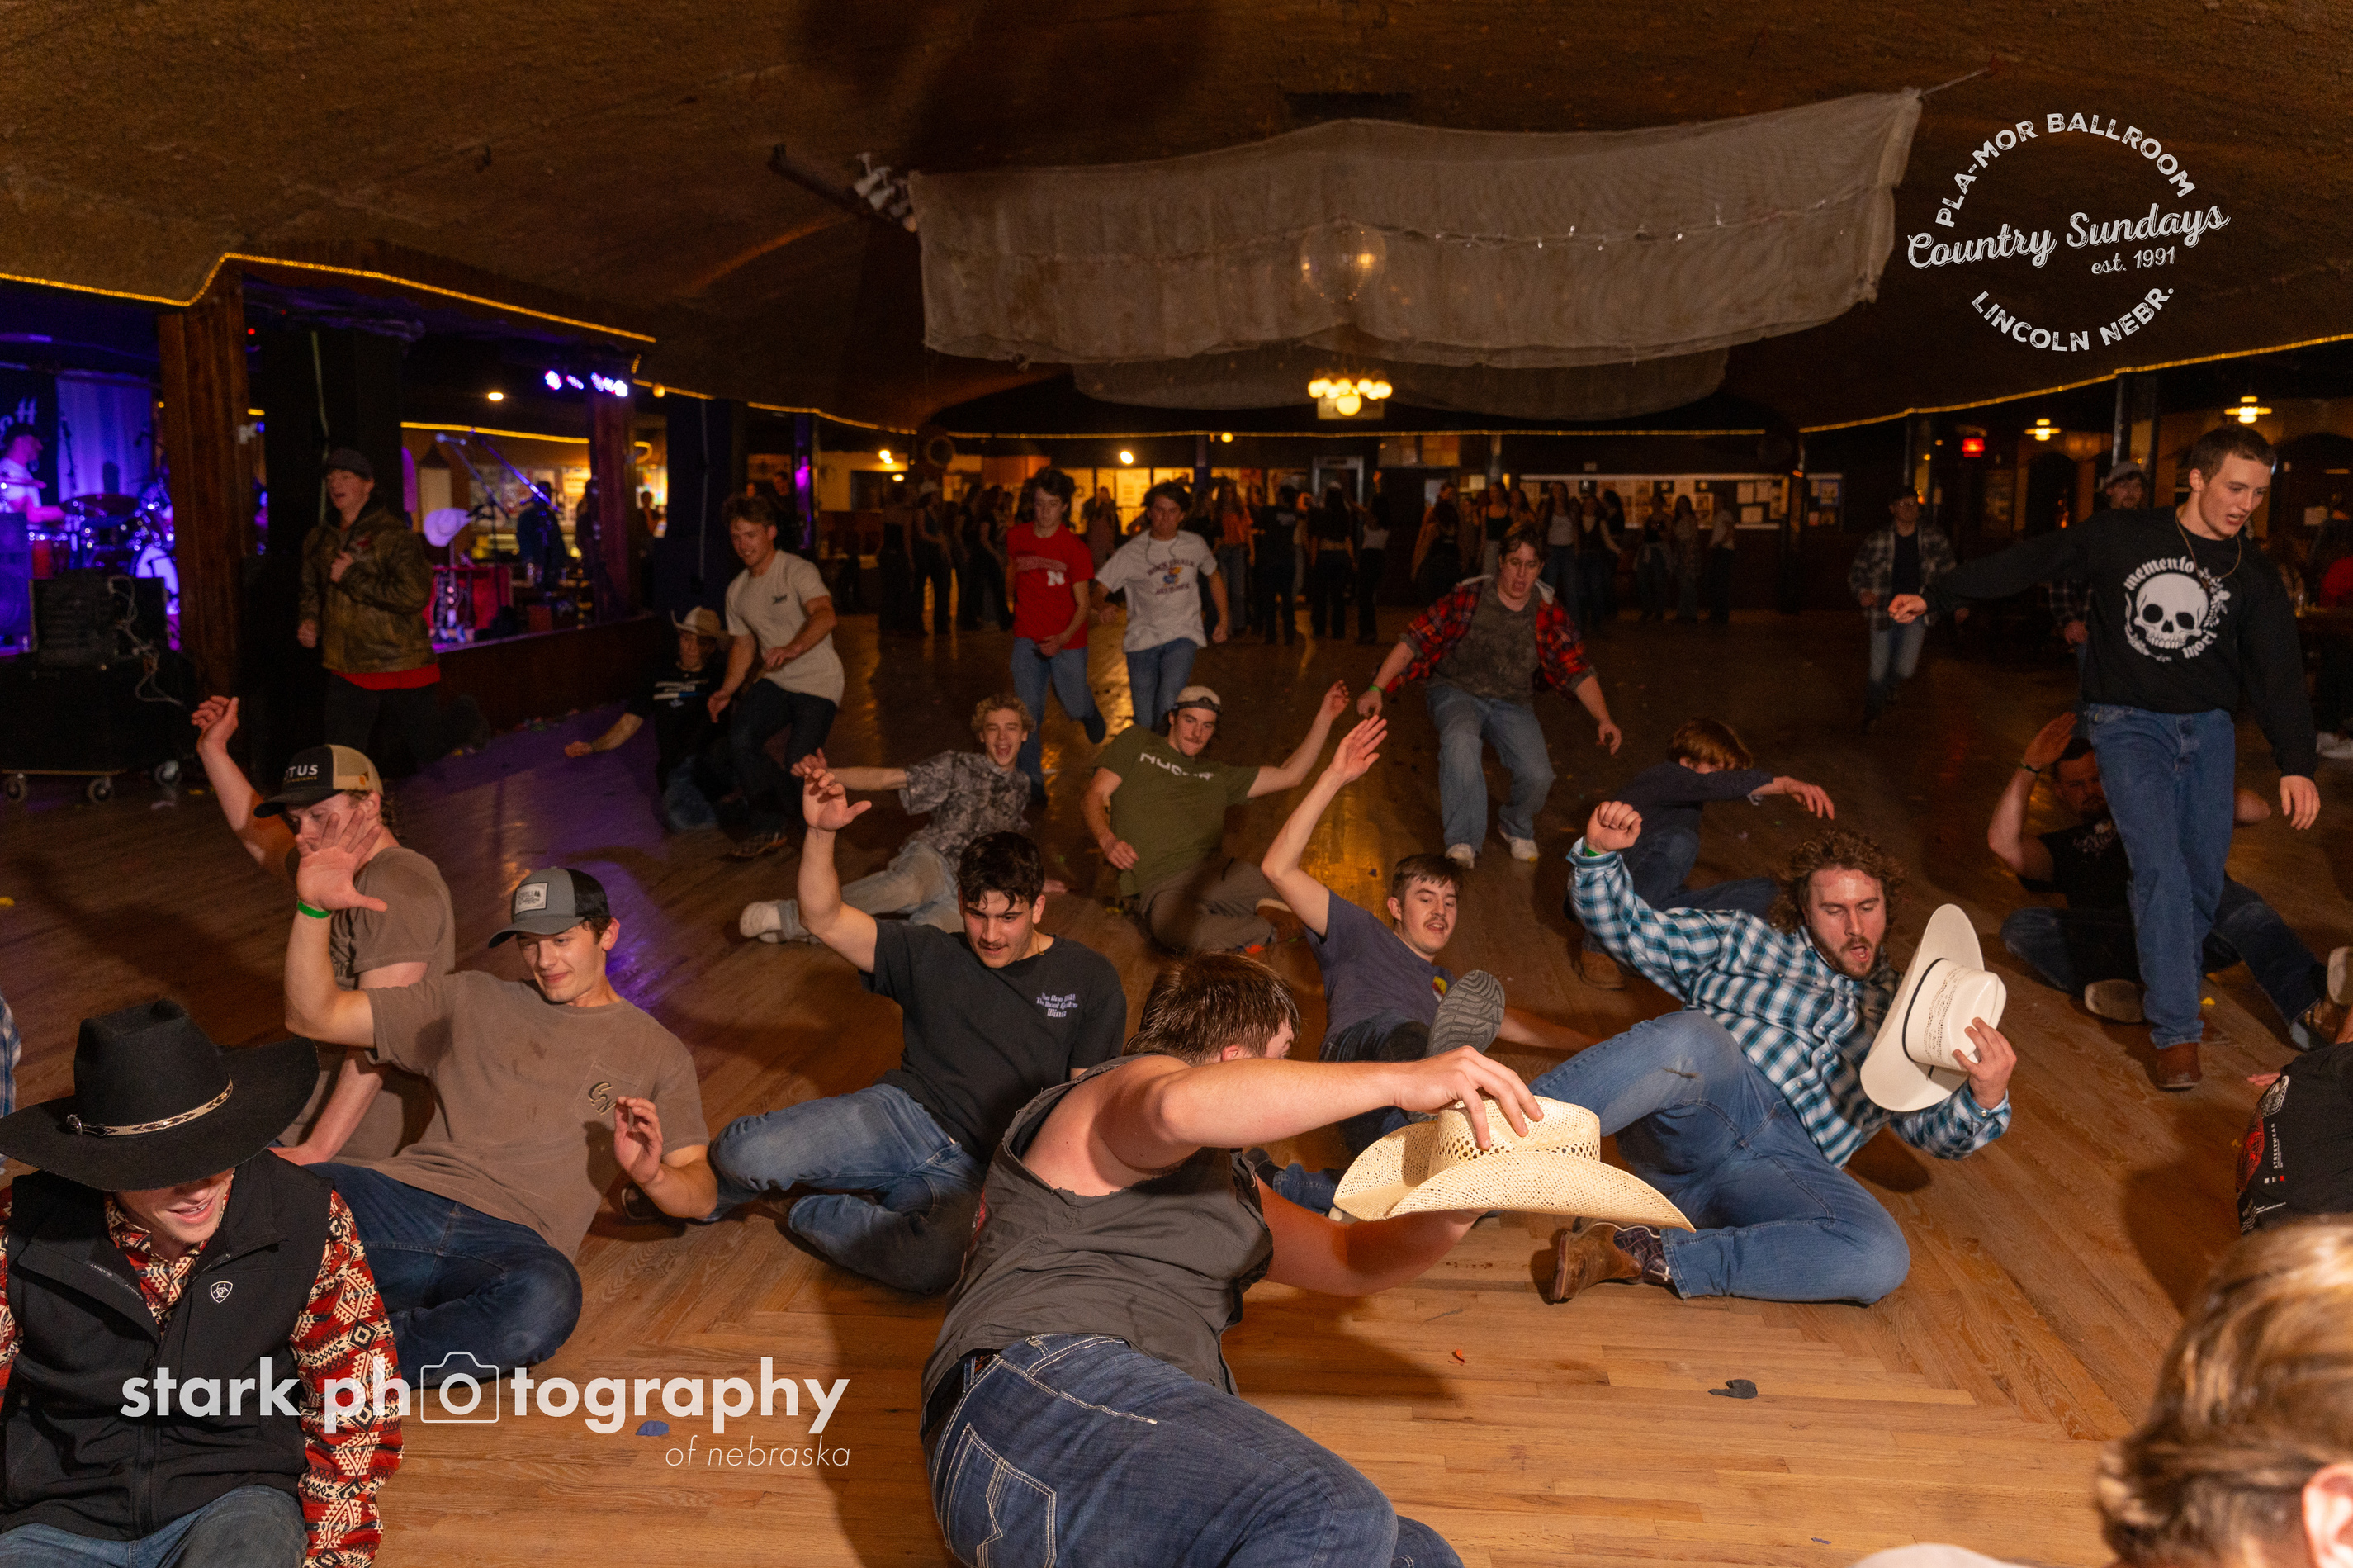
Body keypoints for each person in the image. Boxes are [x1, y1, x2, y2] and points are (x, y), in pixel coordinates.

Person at [921, 952, 1543, 1568]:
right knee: (1335, 1512)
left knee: (1417, 1555)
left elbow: (1351, 1258)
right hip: (1030, 1406)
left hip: (1101, 1474)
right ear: (1236, 1059)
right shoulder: (1121, 1092)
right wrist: (1399, 1079)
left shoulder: (1236, 1187)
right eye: (1283, 1056)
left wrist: (1459, 1206)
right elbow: (1175, 1107)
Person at [1894, 424, 2320, 1090]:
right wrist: (1941, 594)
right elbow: (2034, 558)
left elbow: (2278, 673)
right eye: (2236, 488)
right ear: (2197, 478)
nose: (2246, 504)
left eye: (2259, 494)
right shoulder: (2124, 535)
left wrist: (2296, 761)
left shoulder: (2251, 570)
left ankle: (2159, 979)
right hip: (2127, 724)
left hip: (2209, 731)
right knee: (2160, 869)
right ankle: (2177, 1032)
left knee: (2202, 882)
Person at [1534, 807, 2016, 1305]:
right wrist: (1599, 857)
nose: (1855, 927)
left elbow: (1930, 1130)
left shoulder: (1913, 1014)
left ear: (1888, 906)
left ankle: (1644, 1252)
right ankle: (1499, 1145)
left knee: (1880, 1254)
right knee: (1695, 1036)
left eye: (1868, 906)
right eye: (1834, 910)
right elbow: (1632, 931)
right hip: (1705, 1116)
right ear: (1804, 909)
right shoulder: (1746, 940)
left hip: (1780, 1169)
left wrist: (1985, 1097)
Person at [0, 999, 401, 1566]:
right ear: (102, 1168)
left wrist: (332, 1555)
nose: (198, 1188)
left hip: (236, 1499)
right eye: (163, 1168)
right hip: (56, 1513)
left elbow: (357, 1402)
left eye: (215, 1151)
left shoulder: (307, 1218)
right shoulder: (19, 1230)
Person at [284, 857, 712, 1381]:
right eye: (529, 943)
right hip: (403, 1203)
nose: (544, 960)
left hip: (512, 1241)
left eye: (561, 940)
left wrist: (652, 1176)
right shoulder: (470, 998)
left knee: (545, 1302)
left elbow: (702, 1194)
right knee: (270, 1194)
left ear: (607, 934)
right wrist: (312, 910)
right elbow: (315, 1015)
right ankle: (317, 1336)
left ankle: (342, 1359)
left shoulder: (658, 1053)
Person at [712, 779, 1124, 1291]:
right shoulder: (930, 953)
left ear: (1038, 908)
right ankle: (712, 1188)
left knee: (933, 1265)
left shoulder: (1090, 978)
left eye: (1009, 917)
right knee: (743, 1155)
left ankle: (801, 1206)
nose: (991, 934)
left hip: (980, 1170)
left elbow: (1087, 1105)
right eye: (977, 914)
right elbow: (824, 917)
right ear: (961, 901)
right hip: (899, 1118)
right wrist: (819, 834)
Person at [1253, 713, 1590, 1207]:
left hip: (1397, 1101)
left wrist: (1589, 1043)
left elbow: (1512, 1022)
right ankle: (1438, 1098)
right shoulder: (1358, 931)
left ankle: (1284, 1184)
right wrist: (1335, 776)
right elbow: (1277, 867)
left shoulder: (1448, 987)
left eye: (1450, 901)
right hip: (1358, 1061)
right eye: (1426, 897)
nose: (1440, 910)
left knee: (1443, 1191)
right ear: (1395, 907)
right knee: (1408, 1035)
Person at [1989, 713, 2347, 1079]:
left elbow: (2258, 810)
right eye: (2076, 784)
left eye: (2097, 779)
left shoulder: (2161, 809)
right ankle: (2147, 994)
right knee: (2021, 927)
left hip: (2196, 925)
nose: (2090, 791)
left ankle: (2317, 1012)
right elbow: (2003, 845)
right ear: (2060, 791)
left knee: (2241, 906)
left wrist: (2185, 778)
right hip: (2127, 942)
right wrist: (2030, 765)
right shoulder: (2066, 846)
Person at [188, 715, 447, 1164]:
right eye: (296, 819)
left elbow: (378, 1038)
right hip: (303, 1099)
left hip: (351, 1140)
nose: (304, 833)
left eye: (319, 816)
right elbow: (267, 843)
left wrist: (317, 1148)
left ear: (370, 804)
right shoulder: (337, 869)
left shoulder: (397, 884)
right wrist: (213, 750)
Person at [1358, 524, 1623, 868]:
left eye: (1530, 565)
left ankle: (1515, 824)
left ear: (1541, 567)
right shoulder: (1468, 597)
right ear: (1501, 561)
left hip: (1512, 701)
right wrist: (1377, 687)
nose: (1521, 574)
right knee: (1460, 739)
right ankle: (1463, 839)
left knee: (1538, 774)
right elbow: (1415, 639)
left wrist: (1604, 719)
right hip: (1456, 689)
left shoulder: (1548, 612)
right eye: (1515, 563)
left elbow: (1578, 670)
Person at [738, 694, 1035, 942]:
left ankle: (811, 931)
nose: (1002, 737)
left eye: (1011, 728)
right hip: (935, 859)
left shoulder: (1022, 785)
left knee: (922, 939)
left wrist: (1034, 880)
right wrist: (828, 774)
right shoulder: (958, 765)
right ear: (981, 735)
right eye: (993, 728)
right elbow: (887, 779)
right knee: (907, 887)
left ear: (1024, 734)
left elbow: (1012, 838)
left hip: (972, 890)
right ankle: (790, 915)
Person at [1571, 718, 1836, 990]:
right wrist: (1785, 784)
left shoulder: (1688, 800)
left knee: (1769, 891)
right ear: (1687, 763)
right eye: (1718, 771)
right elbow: (1712, 786)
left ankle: (1643, 951)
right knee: (1680, 842)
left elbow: (1713, 786)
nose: (1726, 781)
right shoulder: (1664, 775)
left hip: (1645, 907)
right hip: (1605, 896)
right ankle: (1598, 947)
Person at [1084, 682, 1349, 953]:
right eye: (1190, 720)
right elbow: (1094, 795)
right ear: (1173, 718)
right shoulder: (1138, 742)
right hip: (1161, 885)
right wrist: (1107, 841)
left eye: (1207, 726)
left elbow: (1291, 775)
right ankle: (1270, 928)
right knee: (1174, 930)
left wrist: (1325, 718)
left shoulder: (1217, 775)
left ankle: (1268, 923)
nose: (1197, 733)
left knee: (1315, 905)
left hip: (1217, 875)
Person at [300, 447, 490, 772]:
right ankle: (350, 805)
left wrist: (352, 577)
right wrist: (309, 619)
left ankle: (464, 716)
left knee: (427, 747)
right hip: (347, 661)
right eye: (331, 479)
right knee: (342, 759)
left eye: (345, 477)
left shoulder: (394, 536)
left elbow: (414, 595)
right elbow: (311, 588)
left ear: (368, 484)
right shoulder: (319, 539)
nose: (335, 484)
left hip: (398, 657)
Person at [707, 492, 841, 859]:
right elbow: (743, 645)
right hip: (778, 680)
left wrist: (794, 647)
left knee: (799, 758)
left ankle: (820, 824)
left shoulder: (797, 571)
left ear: (770, 532)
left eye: (750, 535)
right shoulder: (738, 590)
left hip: (818, 681)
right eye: (736, 537)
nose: (743, 545)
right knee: (741, 739)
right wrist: (726, 691)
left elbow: (825, 615)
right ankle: (769, 826)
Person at [565, 607, 733, 831]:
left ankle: (732, 801)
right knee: (678, 821)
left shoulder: (722, 677)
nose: (691, 648)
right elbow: (628, 724)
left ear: (711, 647)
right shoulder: (660, 675)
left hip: (713, 764)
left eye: (700, 642)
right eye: (686, 639)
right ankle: (730, 808)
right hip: (677, 769)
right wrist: (592, 746)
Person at [1092, 480, 1229, 732]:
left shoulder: (1194, 544)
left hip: (1182, 636)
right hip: (1142, 641)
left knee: (1168, 704)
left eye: (1172, 511)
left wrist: (1224, 618)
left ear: (1182, 515)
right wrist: (1102, 606)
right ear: (1149, 512)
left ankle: (1164, 754)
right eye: (1159, 510)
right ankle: (1149, 755)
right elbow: (1099, 590)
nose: (1166, 518)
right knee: (1145, 720)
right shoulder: (1132, 552)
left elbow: (1214, 576)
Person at [1006, 467, 1109, 796]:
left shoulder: (1074, 548)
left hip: (1068, 640)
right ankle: (1032, 781)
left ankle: (1087, 710)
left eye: (1052, 504)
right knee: (1027, 713)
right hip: (1027, 638)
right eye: (1039, 504)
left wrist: (1061, 640)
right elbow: (1013, 572)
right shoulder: (1017, 537)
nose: (1045, 512)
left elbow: (1083, 604)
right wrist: (1010, 605)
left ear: (1065, 506)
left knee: (1073, 705)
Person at [1850, 489, 1960, 729]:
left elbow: (1950, 572)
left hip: (1917, 612)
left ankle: (1891, 684)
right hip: (1883, 611)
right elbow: (1857, 571)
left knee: (1906, 668)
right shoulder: (1878, 539)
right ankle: (1872, 714)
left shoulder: (1933, 538)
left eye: (1913, 503)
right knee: (1877, 668)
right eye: (1902, 504)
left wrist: (1959, 603)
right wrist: (1863, 592)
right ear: (1892, 509)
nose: (1909, 508)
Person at [2046, 462, 2149, 662]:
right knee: (2094, 681)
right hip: (2093, 632)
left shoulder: (2147, 533)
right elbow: (2062, 576)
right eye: (2124, 486)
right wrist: (2070, 620)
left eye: (2137, 487)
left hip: (2137, 633)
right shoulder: (2094, 530)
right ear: (2109, 490)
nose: (2131, 492)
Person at [1305, 483, 1356, 638]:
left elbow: (1315, 539)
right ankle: (1338, 631)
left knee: (1320, 595)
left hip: (1325, 554)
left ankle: (1319, 629)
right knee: (1338, 596)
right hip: (1340, 555)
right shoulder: (1344, 515)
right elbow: (1347, 539)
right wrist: (1352, 559)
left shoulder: (1321, 514)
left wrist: (1313, 560)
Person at [1253, 484, 1301, 642]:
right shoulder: (1293, 515)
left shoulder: (1271, 511)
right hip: (1287, 560)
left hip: (1271, 560)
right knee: (1287, 599)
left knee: (1269, 599)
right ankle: (1289, 633)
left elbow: (1260, 513)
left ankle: (1271, 635)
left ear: (1282, 496)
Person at [1412, 480, 1466, 604]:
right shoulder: (1432, 514)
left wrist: (1464, 558)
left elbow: (1462, 539)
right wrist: (1416, 562)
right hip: (1437, 560)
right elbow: (1422, 539)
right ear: (1441, 494)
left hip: (1450, 561)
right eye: (1449, 493)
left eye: (1453, 494)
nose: (1451, 496)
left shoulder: (1457, 514)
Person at [911, 481, 954, 635]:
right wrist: (938, 541)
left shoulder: (935, 513)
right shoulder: (921, 512)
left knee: (941, 588)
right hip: (924, 553)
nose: (938, 497)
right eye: (935, 494)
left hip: (936, 553)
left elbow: (939, 533)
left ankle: (940, 623)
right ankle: (917, 623)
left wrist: (946, 553)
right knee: (920, 588)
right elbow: (922, 533)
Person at [1355, 478, 1391, 644]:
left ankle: (1367, 632)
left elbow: (1354, 506)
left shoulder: (1372, 519)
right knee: (1368, 596)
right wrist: (1377, 484)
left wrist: (1346, 488)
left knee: (1364, 597)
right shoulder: (1384, 521)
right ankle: (1370, 632)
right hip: (1378, 557)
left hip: (1369, 557)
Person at [1633, 497, 1672, 620]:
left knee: (1659, 581)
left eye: (1657, 502)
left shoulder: (1666, 518)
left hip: (1659, 551)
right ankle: (1647, 608)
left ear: (1662, 503)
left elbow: (1667, 536)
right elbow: (1643, 534)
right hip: (1646, 550)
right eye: (1653, 502)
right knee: (1642, 580)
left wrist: (1658, 527)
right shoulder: (1648, 518)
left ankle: (1659, 611)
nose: (1655, 504)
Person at [1702, 500, 1738, 623]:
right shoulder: (1719, 516)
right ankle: (1718, 614)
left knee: (1719, 583)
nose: (1715, 504)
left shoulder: (1724, 514)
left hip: (1723, 550)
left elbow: (1730, 530)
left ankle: (1720, 614)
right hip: (1721, 550)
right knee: (1717, 583)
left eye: (1717, 501)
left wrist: (1720, 543)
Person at [1670, 495, 1703, 623]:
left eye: (1684, 503)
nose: (1682, 506)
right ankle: (1683, 612)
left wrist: (1688, 555)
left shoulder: (1690, 519)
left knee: (1688, 583)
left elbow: (1693, 537)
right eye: (1679, 503)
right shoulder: (1677, 520)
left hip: (1688, 550)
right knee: (1683, 582)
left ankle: (1691, 613)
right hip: (1680, 550)